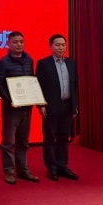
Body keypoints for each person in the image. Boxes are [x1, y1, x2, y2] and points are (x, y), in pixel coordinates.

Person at [0, 31, 40, 185]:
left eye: (21, 41)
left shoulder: (29, 60)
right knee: (8, 142)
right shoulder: (2, 62)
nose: (19, 44)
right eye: (15, 42)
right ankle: (9, 171)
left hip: (26, 107)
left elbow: (31, 81)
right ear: (8, 44)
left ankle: (23, 170)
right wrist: (10, 100)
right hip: (11, 108)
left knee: (23, 142)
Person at [36, 34, 79, 181]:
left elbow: (75, 86)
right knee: (50, 138)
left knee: (64, 137)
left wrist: (74, 105)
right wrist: (41, 104)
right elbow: (39, 85)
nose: (61, 47)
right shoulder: (44, 64)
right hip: (50, 107)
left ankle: (62, 166)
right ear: (51, 46)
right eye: (57, 45)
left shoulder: (71, 63)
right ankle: (52, 168)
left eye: (63, 45)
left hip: (67, 106)